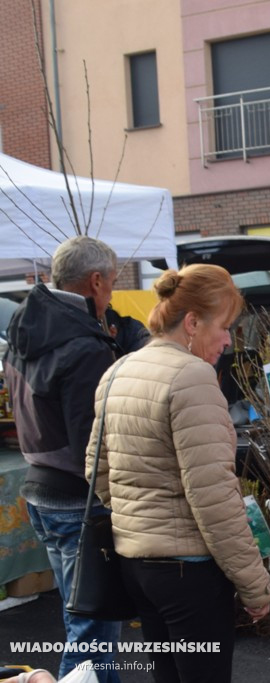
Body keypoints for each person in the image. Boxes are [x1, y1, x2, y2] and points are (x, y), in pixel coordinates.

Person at [85, 264, 270, 681]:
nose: (228, 340)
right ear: (191, 322)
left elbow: (96, 471)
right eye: (224, 327)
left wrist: (139, 520)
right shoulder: (193, 376)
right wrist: (254, 584)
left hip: (136, 566)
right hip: (189, 572)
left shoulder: (118, 371)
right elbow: (213, 497)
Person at [3, 236, 122, 682]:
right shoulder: (82, 345)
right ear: (94, 282)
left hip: (40, 489)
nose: (110, 296)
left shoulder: (25, 323)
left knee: (86, 623)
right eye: (110, 285)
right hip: (77, 498)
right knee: (92, 630)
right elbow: (91, 445)